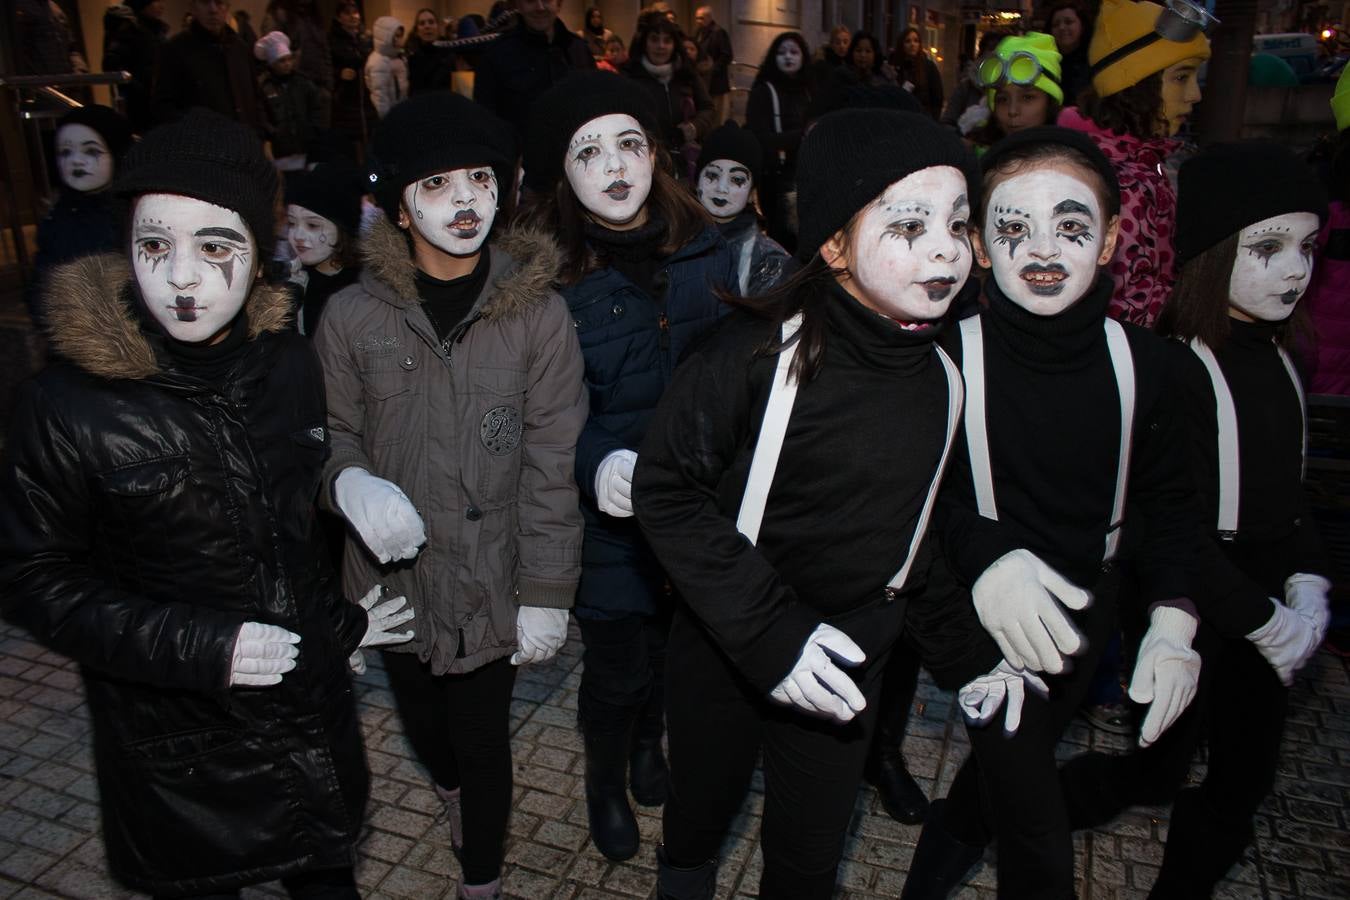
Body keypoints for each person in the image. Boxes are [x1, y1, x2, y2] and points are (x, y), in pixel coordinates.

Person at [0, 107, 403, 900]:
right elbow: (31, 577)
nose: (181, 276)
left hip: (307, 730)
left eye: (214, 245)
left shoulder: (289, 364)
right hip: (179, 759)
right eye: (155, 245)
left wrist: (338, 624)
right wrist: (193, 645)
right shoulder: (65, 405)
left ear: (260, 257)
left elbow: (294, 530)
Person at [634, 108, 973, 900]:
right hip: (729, 641)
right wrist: (770, 635)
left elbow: (914, 542)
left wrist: (968, 658)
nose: (945, 249)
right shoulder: (753, 354)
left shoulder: (946, 377)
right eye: (910, 223)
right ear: (833, 243)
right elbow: (666, 490)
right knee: (697, 816)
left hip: (851, 664)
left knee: (808, 855)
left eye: (958, 224)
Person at [902, 127, 1201, 899]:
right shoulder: (939, 360)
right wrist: (986, 553)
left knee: (1004, 776)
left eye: (1071, 227)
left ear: (1107, 242)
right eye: (1013, 228)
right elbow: (912, 502)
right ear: (977, 243)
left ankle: (933, 864)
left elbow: (1170, 503)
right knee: (1036, 834)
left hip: (1088, 620)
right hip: (981, 626)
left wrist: (1173, 616)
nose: (1042, 250)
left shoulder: (1156, 367)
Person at [313, 91, 587, 900]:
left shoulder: (538, 316)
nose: (463, 201)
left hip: (491, 573)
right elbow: (331, 434)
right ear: (398, 206)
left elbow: (550, 459)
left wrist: (544, 593)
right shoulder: (351, 317)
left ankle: (482, 880)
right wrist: (346, 482)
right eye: (435, 185)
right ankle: (451, 793)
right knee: (429, 736)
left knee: (482, 741)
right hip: (393, 582)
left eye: (479, 178)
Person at [1057, 140, 1332, 898]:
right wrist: (1259, 617)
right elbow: (1168, 524)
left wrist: (1308, 579)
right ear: (1213, 251)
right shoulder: (1179, 367)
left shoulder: (1282, 358)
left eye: (1307, 248)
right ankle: (1028, 808)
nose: (1295, 269)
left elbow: (1290, 486)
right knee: (1156, 762)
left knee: (1243, 777)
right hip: (1195, 595)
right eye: (1269, 247)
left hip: (1265, 593)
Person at [518, 70, 737, 864]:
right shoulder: (547, 279)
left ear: (655, 153)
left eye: (628, 144)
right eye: (588, 152)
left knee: (675, 653)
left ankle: (652, 746)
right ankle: (604, 780)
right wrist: (596, 460)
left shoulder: (706, 245)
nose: (613, 165)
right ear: (565, 176)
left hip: (691, 509)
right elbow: (539, 411)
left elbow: (729, 375)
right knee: (616, 667)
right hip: (604, 520)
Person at [1059, 0, 1212, 328]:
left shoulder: (1140, 162)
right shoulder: (1121, 184)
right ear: (1136, 86)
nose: (1194, 94)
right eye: (1180, 77)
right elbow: (1129, 306)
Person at [27, 105, 132, 327]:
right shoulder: (58, 216)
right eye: (65, 152)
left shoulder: (133, 214)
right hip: (72, 340)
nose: (76, 161)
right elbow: (40, 283)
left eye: (91, 151)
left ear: (117, 154)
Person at [474, 0, 595, 141]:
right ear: (518, 5)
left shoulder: (579, 50)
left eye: (547, 0)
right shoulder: (496, 54)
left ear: (559, 3)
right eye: (530, 1)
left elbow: (595, 105)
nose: (540, 7)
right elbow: (485, 118)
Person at [694, 122, 790, 296]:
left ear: (753, 191)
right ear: (697, 179)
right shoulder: (670, 240)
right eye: (713, 175)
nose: (722, 188)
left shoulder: (769, 260)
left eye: (737, 179)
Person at [623, 16, 714, 181]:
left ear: (674, 45)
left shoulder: (687, 74)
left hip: (686, 161)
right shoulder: (630, 77)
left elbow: (707, 108)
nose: (661, 46)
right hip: (646, 164)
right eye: (654, 39)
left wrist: (695, 127)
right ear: (645, 43)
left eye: (667, 40)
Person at [746, 31, 813, 254]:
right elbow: (760, 136)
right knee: (781, 237)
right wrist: (800, 137)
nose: (788, 57)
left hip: (806, 173)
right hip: (775, 176)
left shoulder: (809, 89)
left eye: (794, 52)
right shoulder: (764, 91)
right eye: (782, 52)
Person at [152, 0, 263, 133]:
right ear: (193, 8)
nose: (213, 10)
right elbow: (163, 107)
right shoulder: (174, 50)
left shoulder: (240, 49)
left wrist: (263, 136)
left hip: (245, 143)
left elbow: (256, 98)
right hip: (202, 146)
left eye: (219, 2)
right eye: (205, 2)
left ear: (227, 7)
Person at [283, 161, 363, 335]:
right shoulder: (293, 281)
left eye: (312, 225)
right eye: (291, 223)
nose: (297, 235)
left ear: (342, 230)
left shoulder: (367, 287)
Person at [963, 33, 1063, 153]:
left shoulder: (1074, 163)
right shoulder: (974, 161)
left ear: (1049, 102)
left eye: (1027, 97)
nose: (1012, 111)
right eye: (1003, 100)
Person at [255, 30, 327, 169]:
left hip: (306, 146)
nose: (287, 64)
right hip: (282, 151)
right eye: (282, 61)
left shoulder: (303, 83)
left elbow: (317, 108)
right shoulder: (265, 87)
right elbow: (262, 115)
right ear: (272, 64)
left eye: (289, 59)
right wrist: (274, 134)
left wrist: (314, 130)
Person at [102, 0, 169, 134]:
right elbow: (111, 64)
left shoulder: (157, 30)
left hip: (161, 100)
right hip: (139, 104)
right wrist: (137, 87)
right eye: (156, 1)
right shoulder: (128, 29)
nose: (161, 5)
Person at [328, 0, 375, 157]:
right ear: (339, 17)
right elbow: (326, 67)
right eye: (347, 13)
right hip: (347, 101)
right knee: (352, 147)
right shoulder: (332, 39)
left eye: (354, 12)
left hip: (367, 99)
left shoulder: (366, 38)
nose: (352, 16)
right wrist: (339, 74)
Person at [1045, 0, 1095, 106]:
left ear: (1082, 26)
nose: (1062, 28)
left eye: (1068, 22)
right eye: (1055, 24)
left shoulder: (1094, 60)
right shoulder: (1045, 62)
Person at [893, 26, 944, 119]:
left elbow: (937, 96)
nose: (912, 44)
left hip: (923, 118)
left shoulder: (928, 67)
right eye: (908, 41)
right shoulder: (896, 66)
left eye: (916, 41)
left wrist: (933, 119)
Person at [694, 6, 734, 125]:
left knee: (718, 116)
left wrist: (712, 69)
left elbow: (726, 55)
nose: (698, 21)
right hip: (704, 81)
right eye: (696, 18)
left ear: (709, 18)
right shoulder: (699, 32)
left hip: (716, 83)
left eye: (701, 18)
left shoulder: (718, 32)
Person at [365, 16, 409, 118]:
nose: (400, 40)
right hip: (390, 116)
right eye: (396, 36)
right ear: (385, 38)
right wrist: (387, 120)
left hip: (399, 111)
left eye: (401, 36)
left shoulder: (397, 57)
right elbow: (380, 97)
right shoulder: (379, 61)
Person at [406, 7, 456, 94]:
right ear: (417, 31)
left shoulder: (450, 53)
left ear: (438, 27)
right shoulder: (412, 59)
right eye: (422, 23)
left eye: (431, 22)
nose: (427, 26)